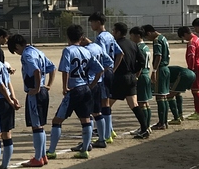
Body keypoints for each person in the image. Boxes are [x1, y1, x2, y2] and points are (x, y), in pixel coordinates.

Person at [58, 24, 105, 159]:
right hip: (87, 87)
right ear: (82, 37)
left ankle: (51, 151)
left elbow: (65, 70)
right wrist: (92, 84)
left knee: (57, 120)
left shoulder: (68, 50)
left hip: (75, 88)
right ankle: (87, 147)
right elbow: (101, 69)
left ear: (68, 36)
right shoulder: (89, 50)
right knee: (90, 117)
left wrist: (65, 87)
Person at [8, 32, 55, 166]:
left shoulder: (27, 55)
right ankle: (43, 155)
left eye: (15, 51)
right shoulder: (37, 51)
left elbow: (36, 71)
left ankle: (38, 157)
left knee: (36, 126)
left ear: (17, 46)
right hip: (44, 91)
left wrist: (37, 87)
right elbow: (52, 68)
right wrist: (48, 86)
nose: (17, 54)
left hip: (35, 93)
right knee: (40, 124)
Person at [88, 12, 124, 144]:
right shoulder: (109, 35)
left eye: (92, 22)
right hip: (109, 71)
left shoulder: (101, 38)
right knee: (106, 101)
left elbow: (102, 55)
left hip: (103, 72)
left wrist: (102, 70)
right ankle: (110, 130)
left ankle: (107, 133)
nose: (91, 25)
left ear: (98, 22)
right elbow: (120, 54)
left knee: (103, 103)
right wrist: (113, 69)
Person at [110, 22, 147, 135]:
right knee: (134, 105)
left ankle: (106, 129)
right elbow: (142, 61)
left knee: (106, 104)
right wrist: (134, 71)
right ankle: (145, 129)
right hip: (131, 77)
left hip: (119, 78)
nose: (113, 33)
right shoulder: (133, 44)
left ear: (119, 32)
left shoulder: (114, 44)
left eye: (114, 31)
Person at [142, 25, 171, 130]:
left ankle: (162, 123)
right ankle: (164, 121)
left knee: (160, 96)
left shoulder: (157, 40)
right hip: (165, 68)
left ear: (149, 33)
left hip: (161, 69)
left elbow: (158, 55)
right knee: (163, 96)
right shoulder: (163, 38)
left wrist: (154, 70)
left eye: (146, 37)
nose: (147, 39)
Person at [177, 25, 199, 120]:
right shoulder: (198, 39)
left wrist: (191, 68)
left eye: (183, 37)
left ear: (185, 34)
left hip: (196, 66)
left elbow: (191, 57)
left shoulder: (191, 43)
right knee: (197, 89)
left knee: (195, 90)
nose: (184, 39)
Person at [129, 27, 153, 138]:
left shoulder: (139, 48)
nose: (131, 38)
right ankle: (146, 126)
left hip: (141, 76)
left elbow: (139, 65)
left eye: (132, 35)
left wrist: (136, 77)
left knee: (142, 103)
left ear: (138, 36)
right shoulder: (146, 47)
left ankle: (145, 127)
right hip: (146, 75)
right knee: (146, 103)